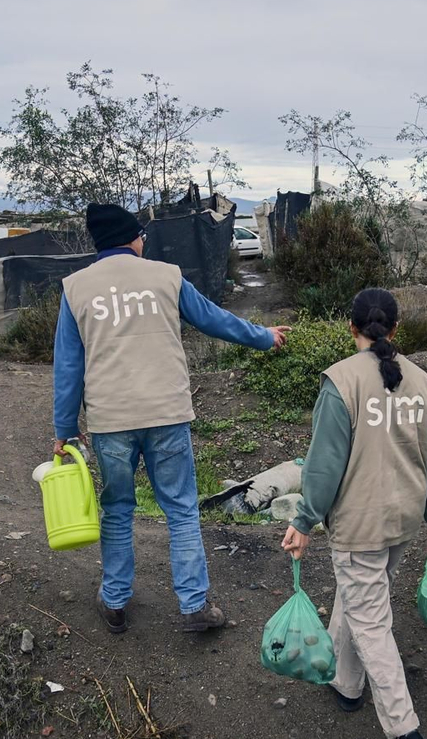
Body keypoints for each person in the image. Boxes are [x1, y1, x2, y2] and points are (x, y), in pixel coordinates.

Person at [53, 203, 290, 635]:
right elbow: (214, 320)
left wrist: (64, 430)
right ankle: (195, 606)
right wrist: (263, 336)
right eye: (140, 233)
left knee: (118, 509)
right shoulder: (166, 276)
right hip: (166, 413)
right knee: (181, 509)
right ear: (130, 237)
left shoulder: (75, 289)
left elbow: (68, 367)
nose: (144, 240)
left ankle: (115, 601)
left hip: (111, 421)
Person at [280, 288, 427, 739]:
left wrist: (303, 520)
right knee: (360, 598)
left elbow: (323, 465)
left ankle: (406, 729)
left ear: (349, 327)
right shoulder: (421, 381)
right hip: (402, 522)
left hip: (359, 525)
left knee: (371, 619)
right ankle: (346, 684)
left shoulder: (341, 381)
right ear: (396, 330)